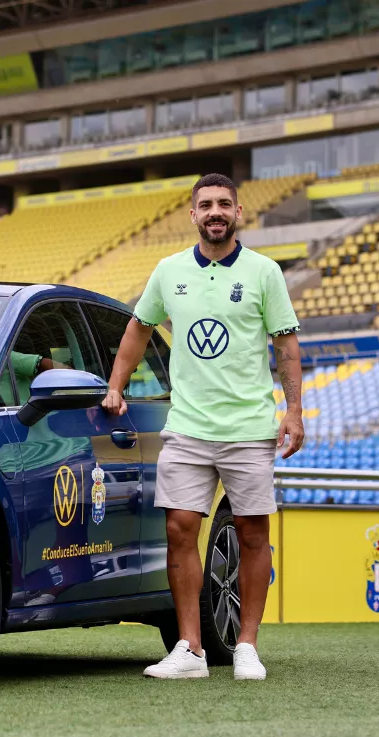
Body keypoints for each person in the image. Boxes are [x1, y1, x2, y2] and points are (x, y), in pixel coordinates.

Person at [101, 173, 304, 680]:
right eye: (206, 205)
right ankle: (190, 649)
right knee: (179, 530)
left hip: (249, 428)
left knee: (253, 534)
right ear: (193, 215)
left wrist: (294, 411)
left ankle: (246, 646)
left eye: (224, 204)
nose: (215, 212)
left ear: (237, 213)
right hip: (188, 426)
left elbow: (285, 344)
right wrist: (115, 385)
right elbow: (138, 328)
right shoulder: (169, 271)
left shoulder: (264, 272)